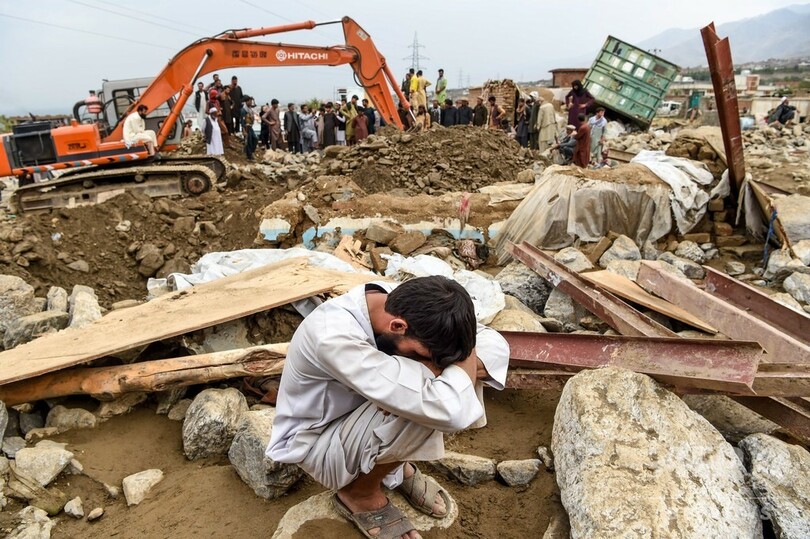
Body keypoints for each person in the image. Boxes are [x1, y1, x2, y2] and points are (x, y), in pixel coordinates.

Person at [266, 276, 509, 539]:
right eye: (424, 355)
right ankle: (359, 493)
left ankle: (392, 468)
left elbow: (495, 343)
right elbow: (453, 412)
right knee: (436, 400)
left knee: (446, 382)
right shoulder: (333, 337)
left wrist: (445, 362)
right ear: (398, 326)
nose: (431, 362)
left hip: (358, 417)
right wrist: (450, 367)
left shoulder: (401, 303)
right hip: (317, 443)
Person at [241, 96, 258, 161]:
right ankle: (249, 156)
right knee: (249, 141)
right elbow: (242, 121)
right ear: (246, 101)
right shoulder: (243, 110)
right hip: (246, 127)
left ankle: (251, 151)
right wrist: (244, 130)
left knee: (255, 139)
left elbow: (254, 106)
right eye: (250, 101)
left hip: (250, 126)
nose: (251, 102)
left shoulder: (250, 109)